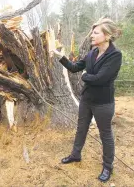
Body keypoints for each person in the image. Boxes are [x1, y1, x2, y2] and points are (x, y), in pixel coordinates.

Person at [51, 18, 122, 182]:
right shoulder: (92, 52)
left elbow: (101, 79)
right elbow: (75, 68)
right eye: (93, 32)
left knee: (106, 135)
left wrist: (85, 76)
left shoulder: (115, 55)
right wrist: (61, 57)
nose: (92, 36)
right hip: (87, 99)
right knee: (81, 128)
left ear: (107, 36)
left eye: (96, 33)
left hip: (103, 103)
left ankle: (107, 167)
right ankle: (75, 155)